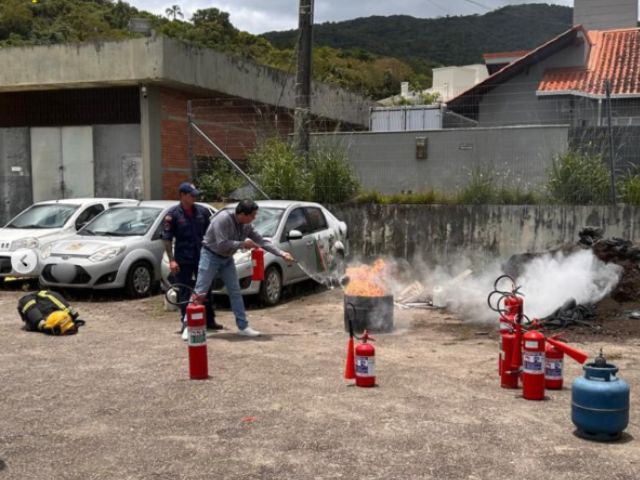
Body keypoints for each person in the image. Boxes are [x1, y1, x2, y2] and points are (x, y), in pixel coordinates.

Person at [192, 199, 294, 337]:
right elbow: (222, 243)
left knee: (235, 291)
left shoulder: (246, 226)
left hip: (227, 259)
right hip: (211, 255)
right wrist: (244, 244)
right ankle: (189, 326)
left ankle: (243, 326)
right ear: (242, 214)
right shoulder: (222, 219)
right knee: (200, 291)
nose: (254, 218)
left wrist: (281, 253)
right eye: (252, 215)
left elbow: (262, 241)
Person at [163, 182, 222, 339]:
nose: (194, 197)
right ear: (182, 195)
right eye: (191, 195)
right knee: (184, 290)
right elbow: (167, 239)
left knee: (205, 289)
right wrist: (172, 260)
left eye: (195, 195)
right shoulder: (172, 215)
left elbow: (211, 233)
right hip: (183, 258)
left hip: (203, 256)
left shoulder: (202, 212)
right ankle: (186, 322)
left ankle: (209, 320)